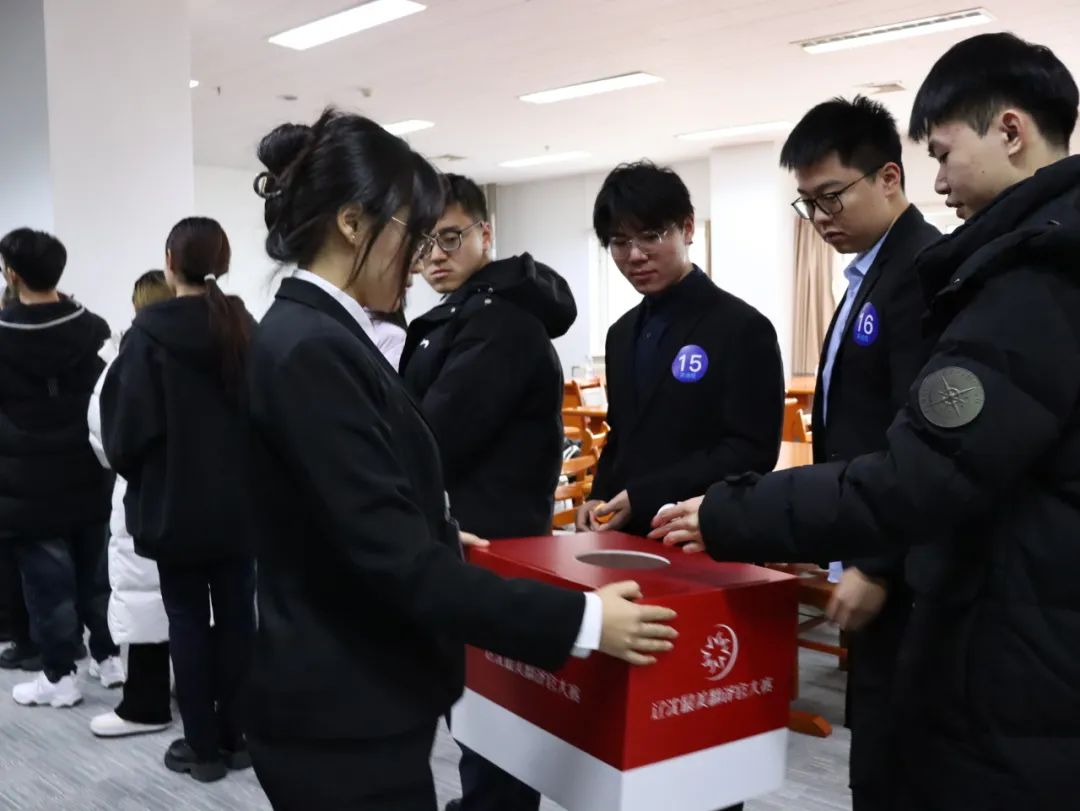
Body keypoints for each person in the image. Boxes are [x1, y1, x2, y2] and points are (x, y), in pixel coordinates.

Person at [650, 33, 1080, 810]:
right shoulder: (1003, 262)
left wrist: (829, 545)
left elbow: (925, 463)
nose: (938, 180)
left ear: (1011, 131)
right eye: (807, 204)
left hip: (997, 610)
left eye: (943, 155)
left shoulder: (1019, 278)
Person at [244, 109, 677, 811]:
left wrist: (438, 532)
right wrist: (586, 620)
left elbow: (352, 505)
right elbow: (392, 558)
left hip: (352, 684)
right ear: (352, 224)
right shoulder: (313, 348)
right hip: (341, 703)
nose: (419, 261)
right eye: (413, 236)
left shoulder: (321, 333)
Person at [780, 96, 940, 809]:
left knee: (897, 750)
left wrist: (877, 562)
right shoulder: (869, 272)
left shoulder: (920, 269)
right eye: (808, 203)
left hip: (905, 559)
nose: (821, 218)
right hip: (869, 534)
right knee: (873, 736)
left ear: (889, 177)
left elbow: (921, 436)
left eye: (832, 196)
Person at [400, 174, 575, 811]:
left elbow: (434, 439)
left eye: (450, 238)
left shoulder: (498, 324)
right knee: (479, 711)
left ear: (486, 234)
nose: (435, 256)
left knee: (496, 720)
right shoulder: (464, 315)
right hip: (474, 540)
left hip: (495, 544)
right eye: (422, 244)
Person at [101, 218, 257, 782]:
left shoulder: (147, 336)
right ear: (224, 261)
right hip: (242, 509)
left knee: (186, 620)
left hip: (173, 508)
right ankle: (238, 739)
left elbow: (124, 434)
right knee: (239, 618)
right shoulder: (246, 328)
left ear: (170, 260)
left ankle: (202, 749)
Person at [576, 161, 785, 538]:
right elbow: (621, 436)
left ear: (687, 229)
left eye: (651, 236)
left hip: (702, 535)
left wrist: (645, 496)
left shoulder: (741, 327)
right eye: (619, 242)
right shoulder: (620, 333)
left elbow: (750, 452)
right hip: (624, 536)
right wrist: (599, 496)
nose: (634, 255)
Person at [0, 228, 122, 708]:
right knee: (97, 574)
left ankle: (59, 675)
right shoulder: (90, 329)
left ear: (12, 275)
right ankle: (109, 658)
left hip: (25, 484)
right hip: (88, 470)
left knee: (47, 587)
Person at [88, 270, 175, 738]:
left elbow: (104, 439)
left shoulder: (126, 362)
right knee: (203, 604)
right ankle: (209, 703)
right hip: (211, 501)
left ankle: (146, 704)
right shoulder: (226, 347)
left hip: (143, 497)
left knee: (143, 599)